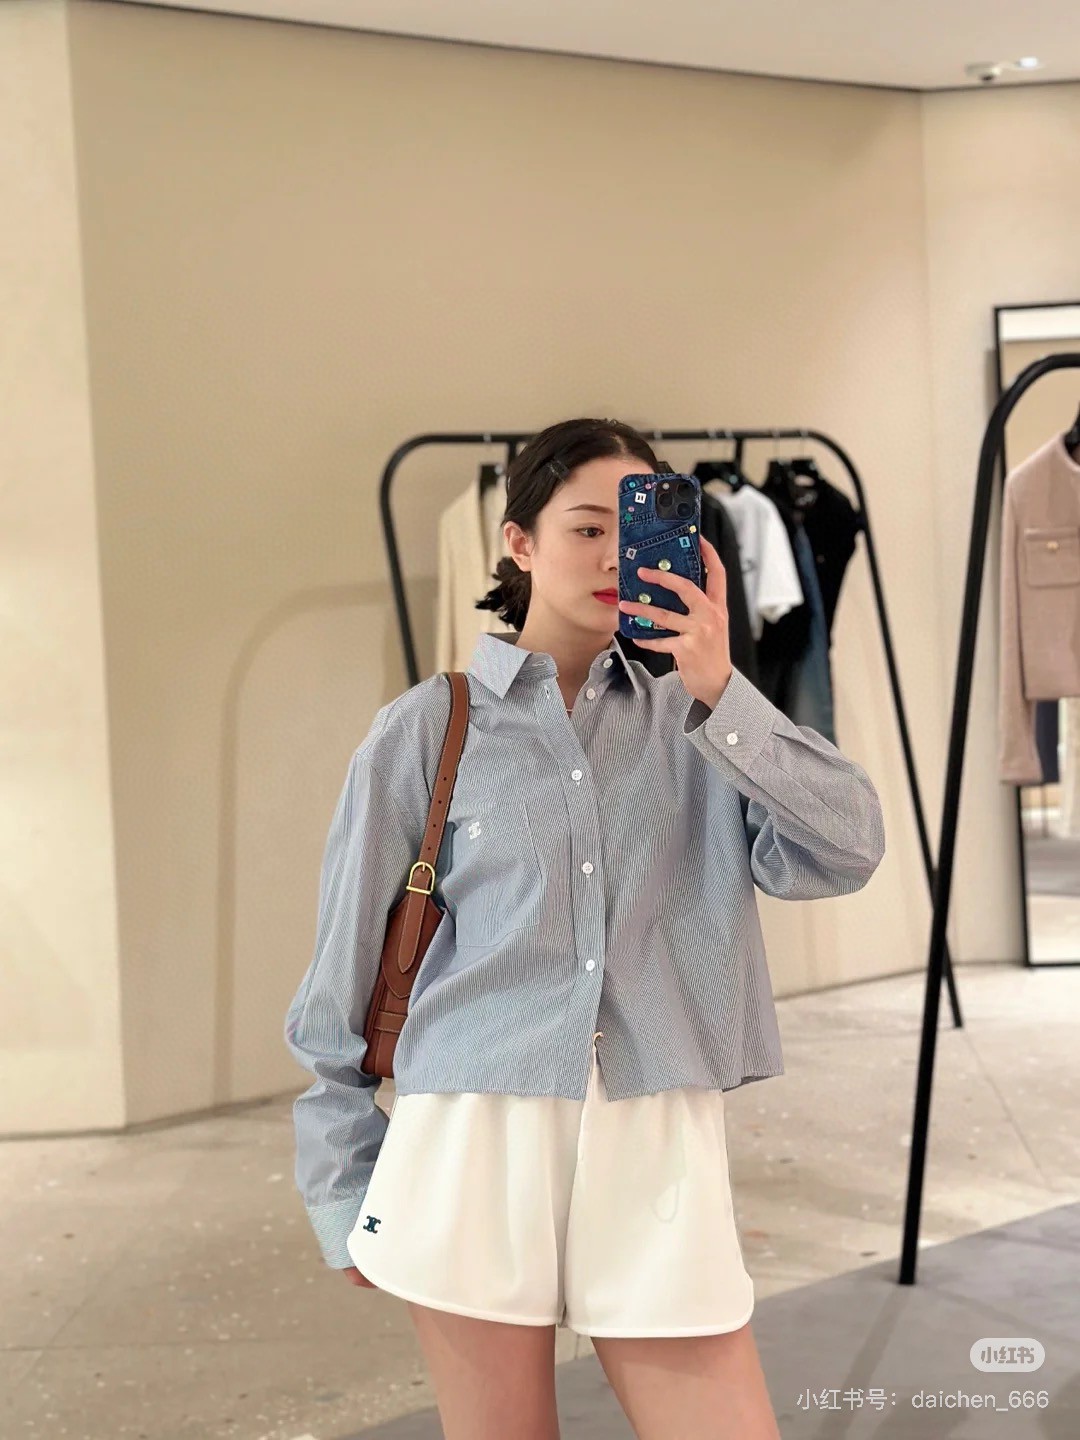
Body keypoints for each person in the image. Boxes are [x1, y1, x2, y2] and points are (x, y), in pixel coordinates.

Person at [284, 416, 886, 1440]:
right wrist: (342, 1183)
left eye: (637, 529)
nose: (614, 556)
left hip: (655, 1131)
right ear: (519, 542)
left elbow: (848, 848)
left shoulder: (699, 723)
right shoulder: (427, 727)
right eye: (587, 528)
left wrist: (721, 685)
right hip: (473, 1134)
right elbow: (338, 976)